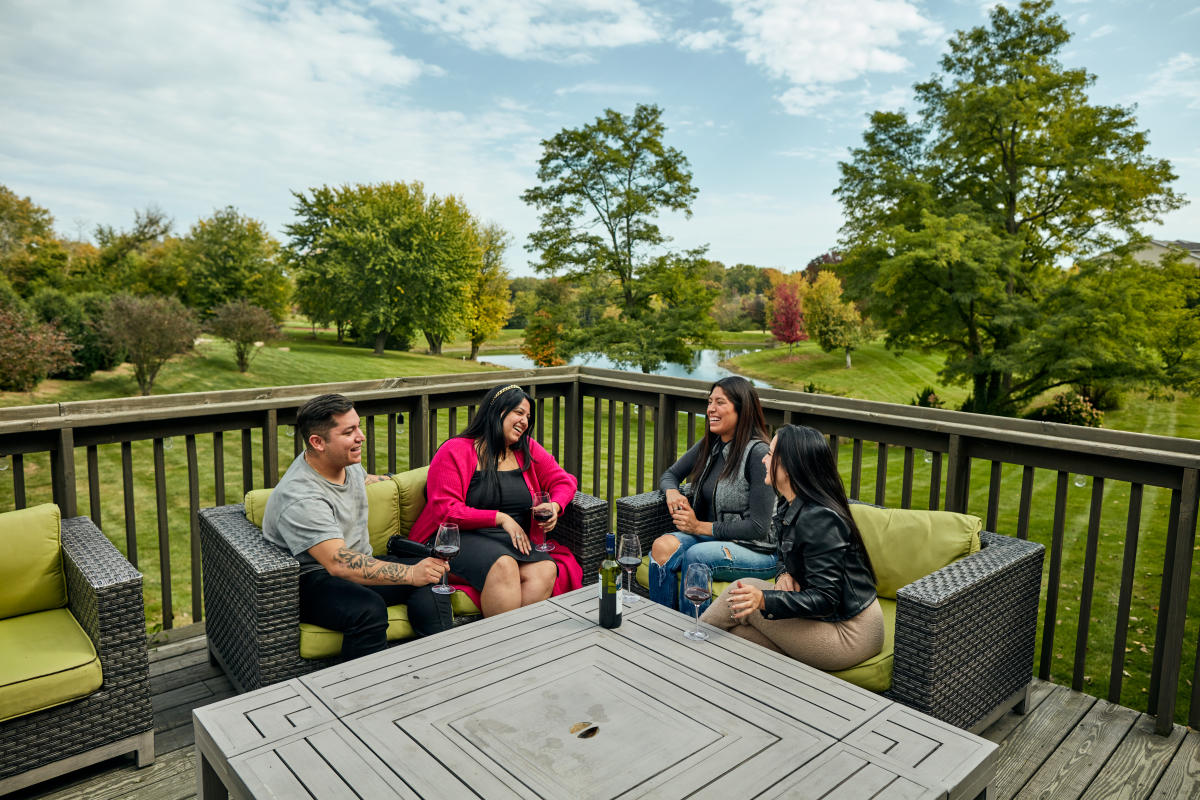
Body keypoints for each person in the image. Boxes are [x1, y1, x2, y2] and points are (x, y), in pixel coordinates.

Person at [262, 393, 453, 661]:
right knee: (368, 609)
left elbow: (363, 479)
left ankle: (437, 660)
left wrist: (384, 480)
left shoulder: (344, 463)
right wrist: (410, 574)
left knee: (432, 575)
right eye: (349, 431)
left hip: (359, 561)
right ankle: (360, 692)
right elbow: (338, 563)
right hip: (309, 579)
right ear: (317, 442)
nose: (361, 436)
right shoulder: (300, 497)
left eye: (358, 427)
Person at [700, 424, 883, 671]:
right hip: (827, 618)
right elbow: (787, 555)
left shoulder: (819, 518)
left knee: (740, 592)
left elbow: (826, 598)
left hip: (851, 631)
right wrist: (784, 573)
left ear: (790, 465)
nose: (764, 458)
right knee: (738, 636)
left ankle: (684, 650)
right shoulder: (791, 504)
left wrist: (764, 599)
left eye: (771, 453)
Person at [409, 384, 583, 616]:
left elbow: (565, 480)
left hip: (508, 541)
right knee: (503, 565)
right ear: (496, 410)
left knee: (545, 568)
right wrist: (499, 518)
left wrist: (555, 505)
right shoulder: (455, 450)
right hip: (455, 539)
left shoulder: (527, 450)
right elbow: (446, 511)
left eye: (528, 417)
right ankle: (501, 645)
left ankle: (519, 639)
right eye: (519, 413)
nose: (525, 421)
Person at [648, 376, 775, 613]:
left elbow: (759, 527)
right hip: (717, 540)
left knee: (697, 556)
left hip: (759, 550)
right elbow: (669, 475)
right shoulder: (712, 444)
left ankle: (694, 634)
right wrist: (673, 492)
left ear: (742, 409)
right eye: (709, 402)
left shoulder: (758, 454)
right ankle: (661, 624)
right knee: (661, 547)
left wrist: (699, 527)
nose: (710, 409)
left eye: (720, 402)